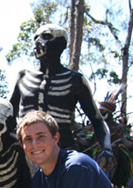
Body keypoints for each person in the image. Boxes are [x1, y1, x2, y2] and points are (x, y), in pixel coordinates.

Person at [9, 23, 114, 171]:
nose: (38, 41)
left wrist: (107, 149)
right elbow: (8, 116)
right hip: (26, 153)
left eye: (46, 37)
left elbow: (97, 121)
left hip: (63, 154)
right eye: (35, 38)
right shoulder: (23, 77)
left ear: (61, 44)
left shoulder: (75, 80)